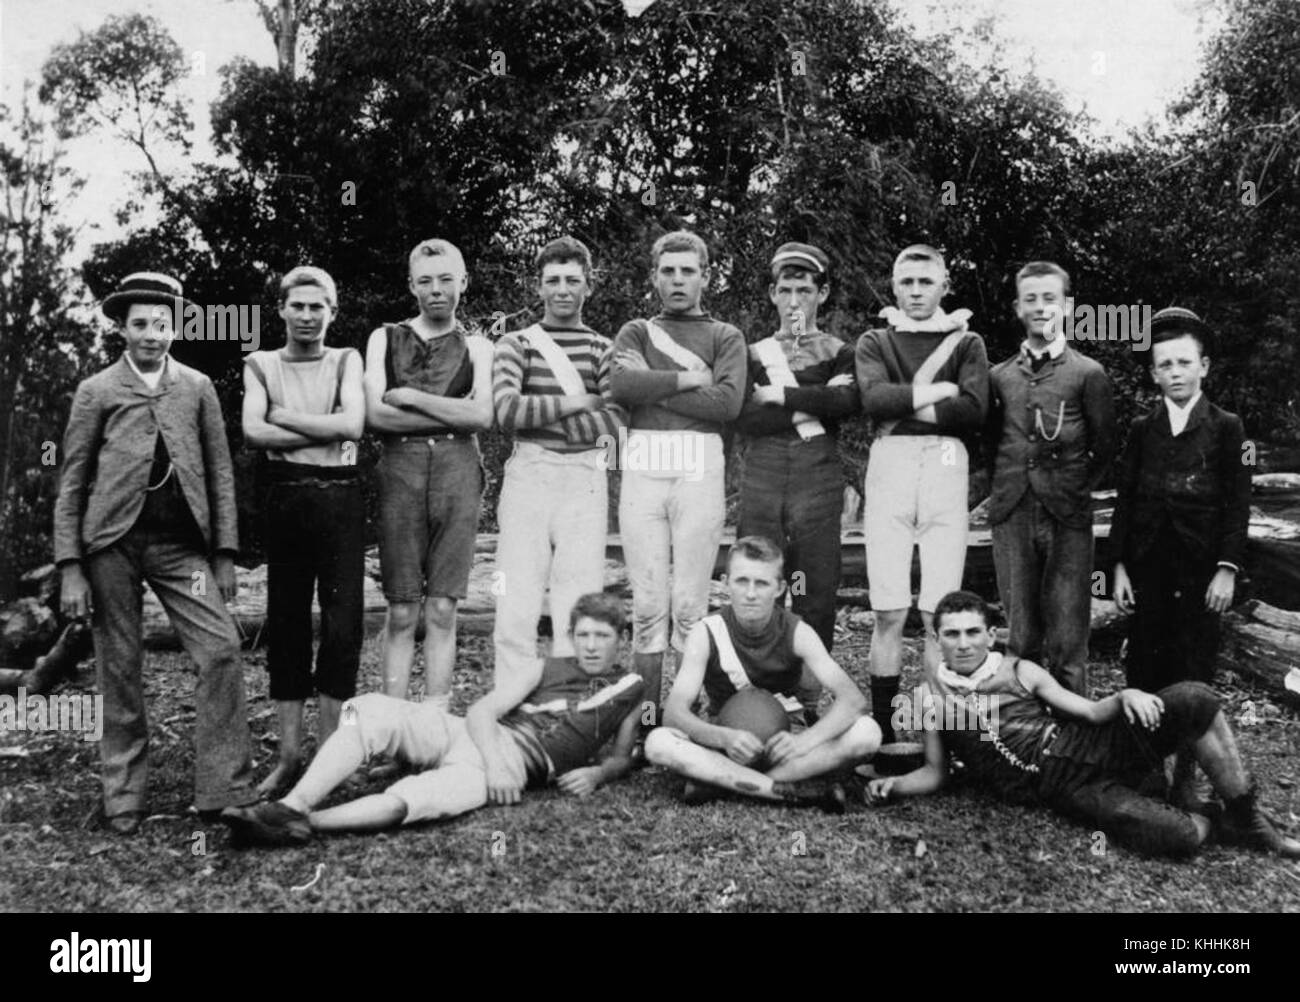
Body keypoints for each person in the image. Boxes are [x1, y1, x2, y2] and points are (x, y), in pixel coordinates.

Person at [864, 591, 1299, 859]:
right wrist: (893, 786)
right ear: (936, 638)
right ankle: (1202, 815)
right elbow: (935, 773)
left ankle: (1246, 818)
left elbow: (1087, 713)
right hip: (1065, 788)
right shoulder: (929, 698)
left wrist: (1123, 696)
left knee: (1194, 698)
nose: (963, 643)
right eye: (952, 634)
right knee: (1178, 837)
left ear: (991, 634)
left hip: (1087, 743)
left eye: (973, 632)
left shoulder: (1019, 670)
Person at [54, 272, 256, 834]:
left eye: (162, 323)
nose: (152, 334)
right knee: (118, 666)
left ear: (176, 325)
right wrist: (71, 566)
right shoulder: (97, 391)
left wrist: (223, 553)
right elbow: (72, 481)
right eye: (140, 323)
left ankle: (224, 788)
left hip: (179, 549)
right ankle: (124, 794)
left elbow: (219, 472)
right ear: (122, 328)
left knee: (218, 650)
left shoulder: (196, 387)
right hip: (111, 546)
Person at [220, 593, 646, 845]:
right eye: (584, 634)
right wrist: (495, 761)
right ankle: (293, 803)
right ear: (572, 636)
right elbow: (482, 711)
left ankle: (299, 825)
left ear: (620, 639)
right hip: (478, 737)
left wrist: (598, 774)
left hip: (516, 765)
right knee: (366, 708)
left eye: (603, 636)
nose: (591, 646)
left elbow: (623, 756)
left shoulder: (631, 687)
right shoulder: (546, 667)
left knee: (417, 801)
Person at [1111, 307, 1252, 807]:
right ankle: (1146, 769)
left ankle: (1187, 776)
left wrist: (1226, 569)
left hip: (1199, 571)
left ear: (1204, 367)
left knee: (1193, 671)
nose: (1174, 373)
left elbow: (1238, 504)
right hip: (1148, 566)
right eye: (1164, 365)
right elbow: (1125, 500)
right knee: (1146, 668)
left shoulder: (1228, 428)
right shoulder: (1142, 428)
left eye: (1184, 363)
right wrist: (1119, 567)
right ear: (1153, 373)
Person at [854, 244, 989, 746]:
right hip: (890, 462)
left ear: (944, 285)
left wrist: (908, 402)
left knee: (939, 612)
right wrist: (940, 392)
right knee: (889, 610)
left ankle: (940, 734)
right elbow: (873, 400)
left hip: (947, 464)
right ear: (893, 285)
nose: (915, 291)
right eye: (906, 282)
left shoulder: (966, 341)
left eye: (925, 282)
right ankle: (886, 731)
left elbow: (974, 409)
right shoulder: (875, 339)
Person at [610, 230, 747, 723]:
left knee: (690, 604)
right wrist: (691, 379)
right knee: (648, 604)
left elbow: (728, 403)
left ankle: (685, 717)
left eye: (688, 270)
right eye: (668, 270)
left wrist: (653, 387)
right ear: (654, 277)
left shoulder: (725, 335)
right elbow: (621, 384)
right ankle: (644, 721)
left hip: (699, 463)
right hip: (644, 460)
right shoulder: (636, 331)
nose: (677, 279)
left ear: (706, 277)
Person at [242, 266, 365, 797]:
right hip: (286, 495)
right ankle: (291, 757)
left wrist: (283, 417)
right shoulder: (261, 362)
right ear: (282, 310)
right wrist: (321, 425)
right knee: (287, 622)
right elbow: (252, 430)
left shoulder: (346, 360)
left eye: (319, 307)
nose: (308, 317)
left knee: (342, 626)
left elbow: (352, 427)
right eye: (298, 306)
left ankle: (329, 754)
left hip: (340, 496)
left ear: (332, 312)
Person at [645, 536, 879, 811]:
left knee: (868, 733)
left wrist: (803, 742)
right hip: (728, 746)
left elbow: (853, 701)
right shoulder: (706, 631)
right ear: (725, 582)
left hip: (785, 745)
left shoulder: (797, 631)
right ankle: (790, 789)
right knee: (658, 743)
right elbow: (674, 713)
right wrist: (724, 738)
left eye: (762, 583)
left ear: (779, 588)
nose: (751, 593)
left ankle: (723, 783)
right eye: (742, 581)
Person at [363, 240, 494, 707]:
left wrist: (415, 399)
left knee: (441, 608)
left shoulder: (478, 346)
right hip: (400, 469)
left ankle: (434, 731)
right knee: (401, 610)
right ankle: (393, 731)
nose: (436, 291)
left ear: (463, 282)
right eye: (425, 281)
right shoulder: (385, 337)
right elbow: (376, 418)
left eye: (446, 280)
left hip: (458, 470)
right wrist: (452, 411)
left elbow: (481, 417)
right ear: (411, 285)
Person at [491, 236, 626, 684]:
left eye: (573, 280)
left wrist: (548, 415)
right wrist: (576, 403)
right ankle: (514, 698)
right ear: (539, 285)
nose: (562, 290)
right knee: (516, 597)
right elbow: (508, 412)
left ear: (589, 285)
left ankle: (570, 698)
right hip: (529, 472)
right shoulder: (517, 343)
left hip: (585, 477)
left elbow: (616, 423)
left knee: (579, 595)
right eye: (553, 280)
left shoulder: (603, 348)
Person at [736, 242, 858, 714]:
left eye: (804, 290)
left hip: (817, 473)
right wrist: (812, 398)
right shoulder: (752, 352)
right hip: (764, 471)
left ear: (821, 294)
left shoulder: (839, 351)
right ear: (771, 293)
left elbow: (847, 404)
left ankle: (808, 694)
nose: (793, 301)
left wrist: (777, 396)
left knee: (816, 584)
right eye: (784, 289)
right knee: (758, 576)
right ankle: (757, 692)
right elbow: (743, 416)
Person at [987, 261, 1117, 693]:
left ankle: (1074, 746)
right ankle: (1025, 741)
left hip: (1068, 518)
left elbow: (1107, 446)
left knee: (1067, 637)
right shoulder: (999, 376)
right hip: (1013, 513)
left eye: (1050, 299)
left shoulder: (1087, 374)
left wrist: (1076, 489)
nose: (1041, 308)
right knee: (1021, 636)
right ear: (1017, 308)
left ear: (1067, 306)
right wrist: (1001, 492)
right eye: (1031, 299)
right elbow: (990, 446)